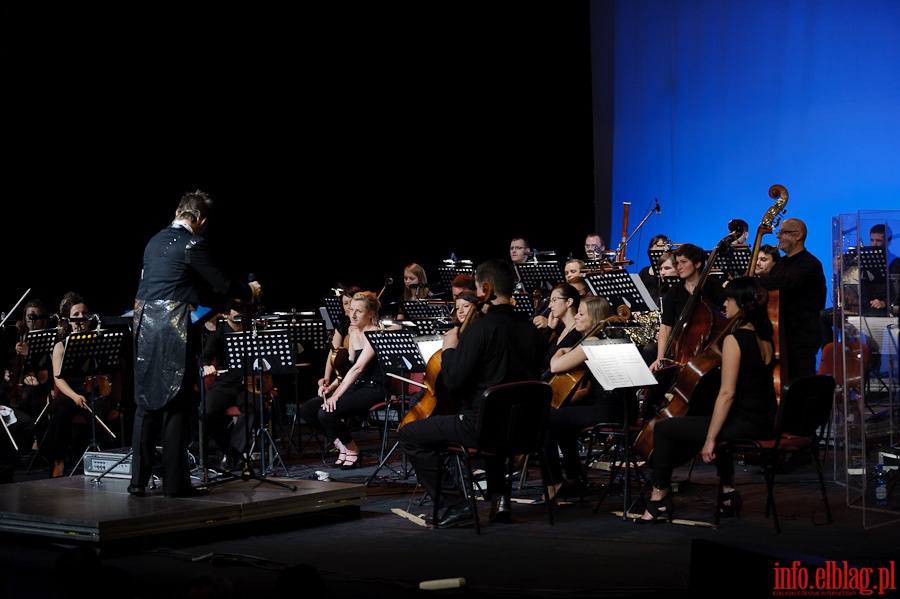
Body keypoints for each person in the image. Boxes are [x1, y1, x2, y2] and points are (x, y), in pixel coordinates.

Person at [130, 190, 261, 498]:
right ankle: (176, 485)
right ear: (201, 221)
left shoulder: (153, 242)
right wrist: (250, 290)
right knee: (177, 405)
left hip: (145, 325)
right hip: (173, 328)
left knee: (146, 405)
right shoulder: (193, 244)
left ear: (178, 212)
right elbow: (222, 284)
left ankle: (137, 482)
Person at [397, 258, 544, 528]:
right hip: (524, 430)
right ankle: (500, 502)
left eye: (477, 287)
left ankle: (456, 504)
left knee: (409, 434)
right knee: (499, 412)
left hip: (481, 430)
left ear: (485, 288)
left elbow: (452, 381)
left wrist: (451, 348)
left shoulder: (479, 329)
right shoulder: (530, 330)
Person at [637, 277, 776, 523]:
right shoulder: (764, 336)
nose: (725, 305)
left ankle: (659, 496)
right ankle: (727, 491)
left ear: (742, 304)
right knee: (709, 418)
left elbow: (727, 394)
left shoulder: (735, 340)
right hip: (763, 419)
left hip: (744, 422)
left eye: (730, 299)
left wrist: (710, 440)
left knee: (665, 428)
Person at [543, 294, 639, 502]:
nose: (575, 317)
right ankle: (573, 477)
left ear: (594, 317)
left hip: (608, 411)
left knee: (544, 419)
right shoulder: (611, 338)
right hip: (623, 409)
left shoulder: (593, 341)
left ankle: (555, 481)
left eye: (580, 313)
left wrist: (561, 350)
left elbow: (555, 366)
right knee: (562, 421)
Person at [297, 291, 386, 470]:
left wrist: (336, 396)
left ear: (370, 314)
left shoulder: (375, 333)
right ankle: (341, 445)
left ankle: (353, 450)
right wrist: (330, 387)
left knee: (327, 413)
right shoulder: (352, 334)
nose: (352, 315)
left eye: (358, 311)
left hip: (373, 387)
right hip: (356, 384)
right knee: (307, 409)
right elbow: (347, 372)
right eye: (351, 309)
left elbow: (358, 368)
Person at [49, 292, 113, 477]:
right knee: (60, 410)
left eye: (84, 314)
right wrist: (74, 396)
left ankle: (95, 459)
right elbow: (58, 378)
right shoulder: (61, 346)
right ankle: (58, 461)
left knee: (100, 409)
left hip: (92, 390)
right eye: (76, 314)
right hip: (70, 392)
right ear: (68, 319)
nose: (81, 318)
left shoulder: (98, 340)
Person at [758, 218, 826, 380]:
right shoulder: (781, 264)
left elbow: (785, 283)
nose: (778, 236)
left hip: (801, 338)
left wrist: (751, 282)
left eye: (783, 232)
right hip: (780, 334)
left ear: (798, 235)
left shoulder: (810, 264)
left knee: (800, 383)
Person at [651, 243, 727, 374]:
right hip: (682, 347)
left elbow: (725, 316)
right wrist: (660, 358)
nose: (679, 267)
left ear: (697, 264)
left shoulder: (713, 287)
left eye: (683, 262)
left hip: (709, 348)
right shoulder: (674, 291)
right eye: (677, 263)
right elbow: (666, 326)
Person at [200, 297, 255, 471]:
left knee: (256, 406)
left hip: (248, 383)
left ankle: (233, 451)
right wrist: (206, 365)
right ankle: (232, 451)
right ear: (225, 314)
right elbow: (206, 355)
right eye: (235, 309)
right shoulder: (218, 334)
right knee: (206, 410)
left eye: (242, 309)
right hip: (226, 382)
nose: (240, 312)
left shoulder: (252, 331)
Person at [638, 235, 673, 305]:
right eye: (653, 246)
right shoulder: (644, 271)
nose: (654, 248)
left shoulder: (668, 273)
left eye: (661, 246)